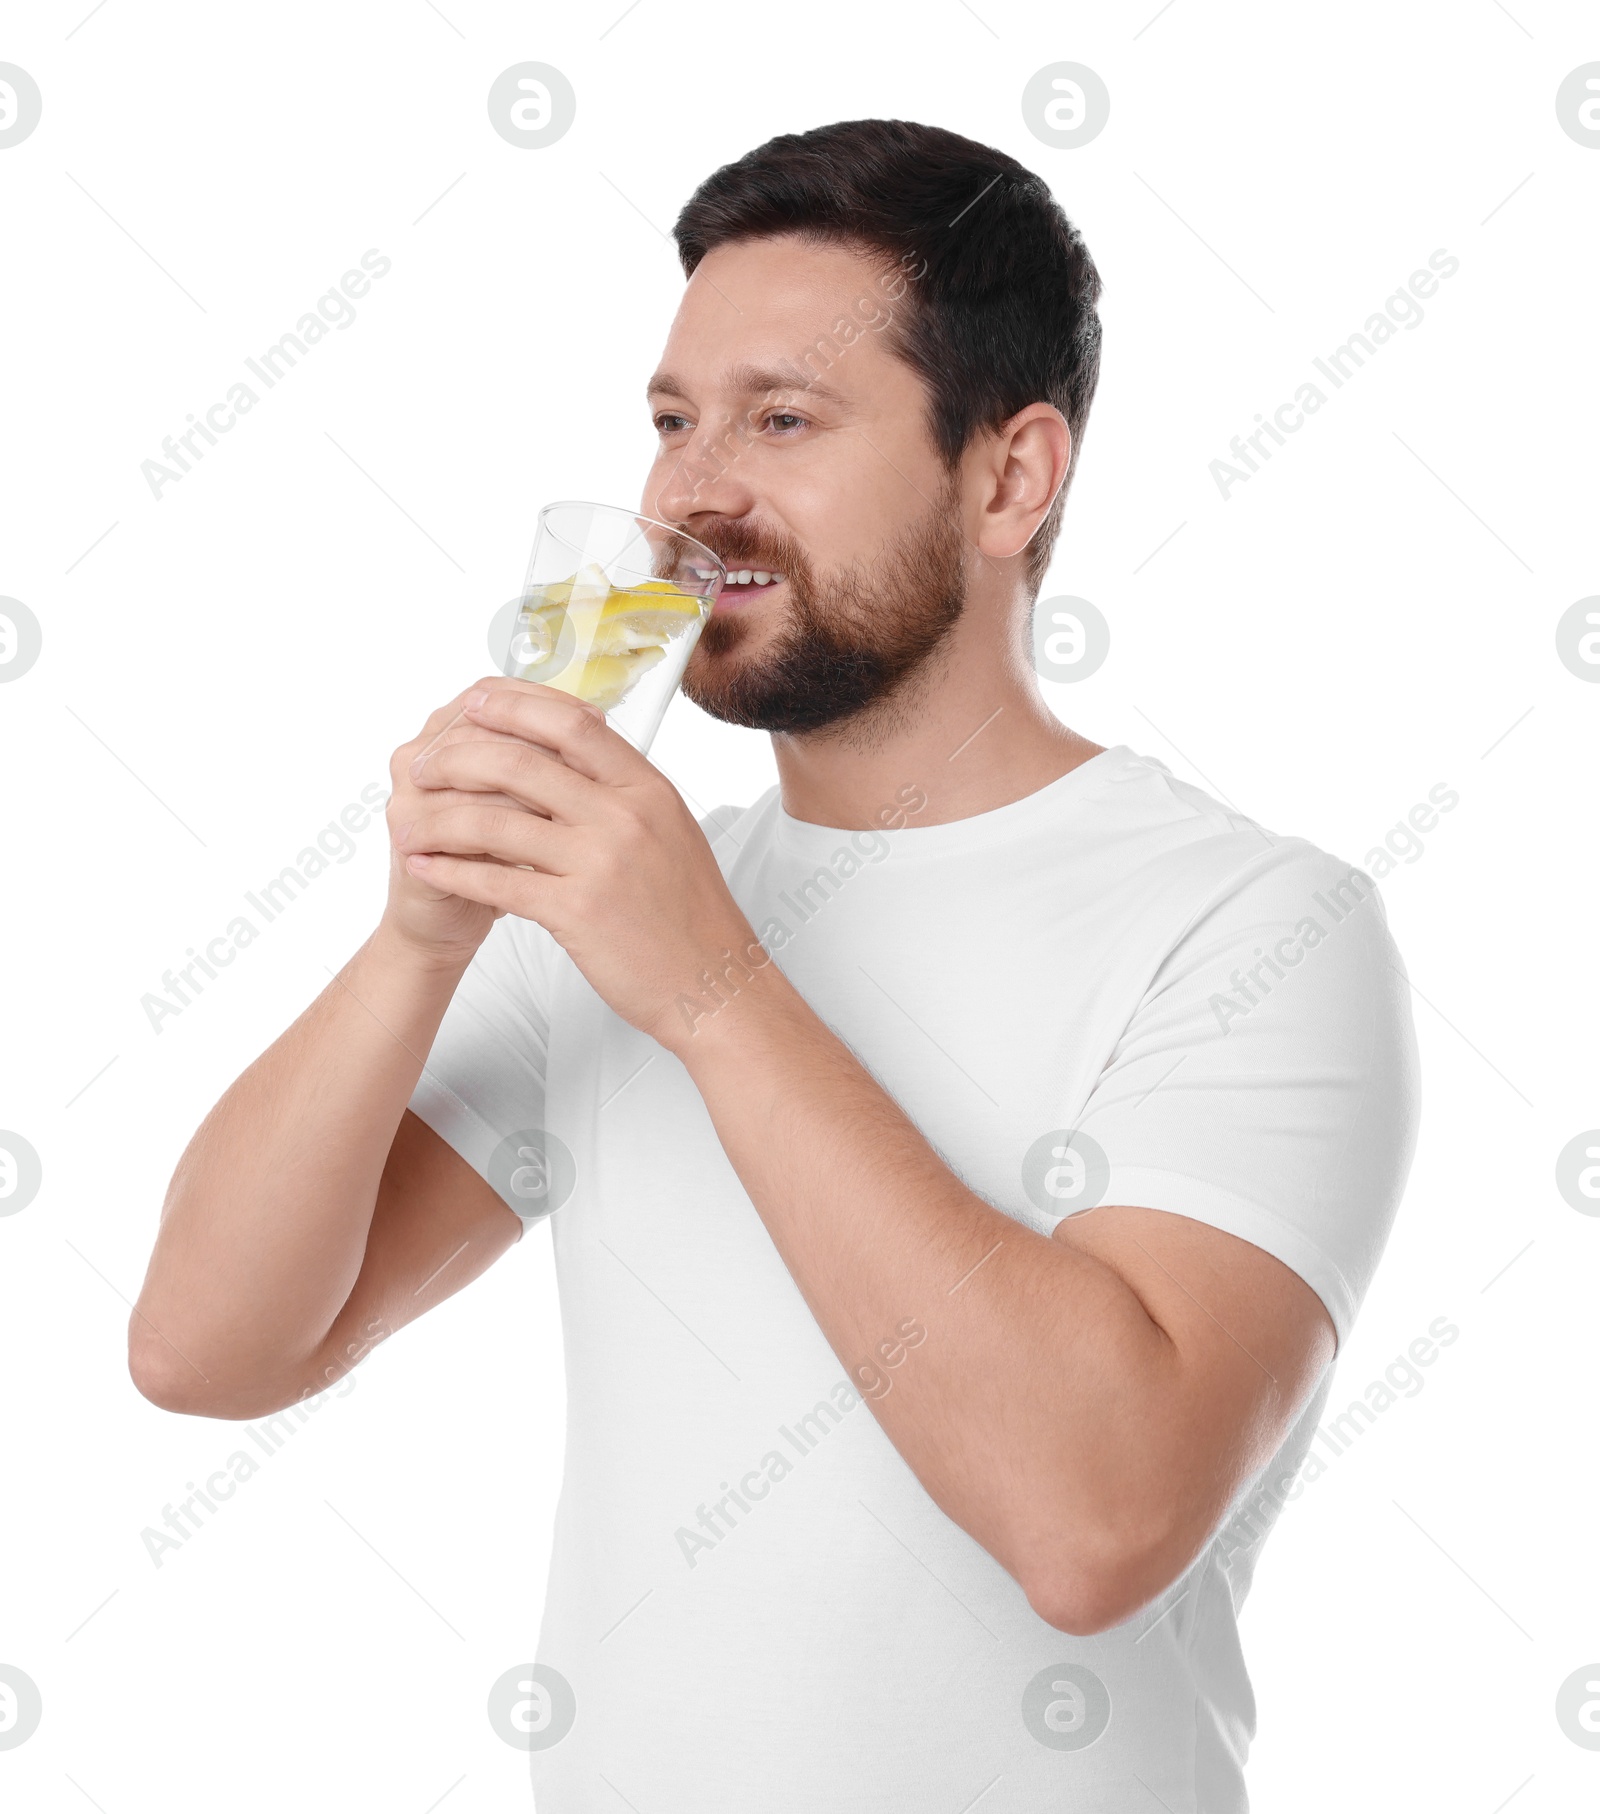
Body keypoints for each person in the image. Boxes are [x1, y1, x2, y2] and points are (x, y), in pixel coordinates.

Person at [131, 118, 1420, 1810]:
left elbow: (1097, 1521)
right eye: (674, 421)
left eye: (783, 419)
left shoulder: (1257, 925)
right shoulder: (619, 899)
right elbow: (209, 1351)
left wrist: (714, 989)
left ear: (1009, 478)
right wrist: (425, 931)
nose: (690, 492)